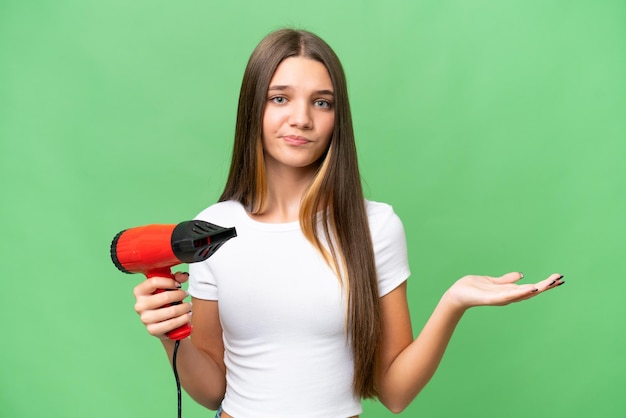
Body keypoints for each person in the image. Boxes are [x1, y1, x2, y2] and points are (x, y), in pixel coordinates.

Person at [132, 28, 564, 418]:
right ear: (253, 109)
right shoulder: (210, 232)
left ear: (338, 118)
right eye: (280, 98)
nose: (301, 118)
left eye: (321, 102)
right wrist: (169, 335)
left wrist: (453, 302)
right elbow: (211, 391)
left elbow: (394, 394)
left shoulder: (375, 226)